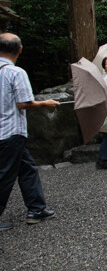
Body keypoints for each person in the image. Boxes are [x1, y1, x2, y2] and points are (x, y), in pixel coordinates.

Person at [0, 33, 60, 230]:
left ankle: (36, 208)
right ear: (19, 49)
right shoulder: (16, 72)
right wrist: (46, 103)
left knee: (27, 168)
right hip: (11, 131)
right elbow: (23, 103)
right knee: (5, 175)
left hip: (4, 132)